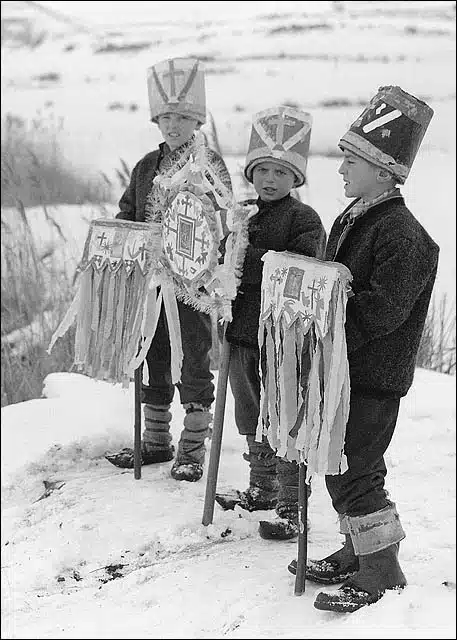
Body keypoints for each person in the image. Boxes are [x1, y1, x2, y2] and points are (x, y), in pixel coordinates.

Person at [288, 86, 439, 612]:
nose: (341, 170)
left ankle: (382, 568)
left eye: (350, 161)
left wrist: (326, 322)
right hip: (346, 372)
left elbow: (383, 310)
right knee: (339, 463)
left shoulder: (405, 235)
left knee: (357, 469)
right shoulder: (357, 217)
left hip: (373, 377)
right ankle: (359, 548)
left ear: (383, 170)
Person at [105, 57, 232, 483]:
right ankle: (156, 441)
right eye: (165, 117)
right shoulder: (145, 166)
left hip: (190, 288)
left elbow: (222, 220)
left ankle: (192, 448)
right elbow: (128, 213)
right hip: (150, 289)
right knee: (153, 355)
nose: (172, 125)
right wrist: (123, 236)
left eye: (181, 117)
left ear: (196, 119)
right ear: (156, 120)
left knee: (192, 360)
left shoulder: (209, 165)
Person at [216, 106, 326, 540]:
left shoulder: (305, 220)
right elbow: (223, 265)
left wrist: (258, 264)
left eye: (281, 172)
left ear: (295, 178)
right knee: (249, 410)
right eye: (263, 169)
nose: (270, 180)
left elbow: (305, 271)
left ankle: (290, 503)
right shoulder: (242, 214)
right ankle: (261, 486)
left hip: (281, 336)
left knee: (282, 411)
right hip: (240, 332)